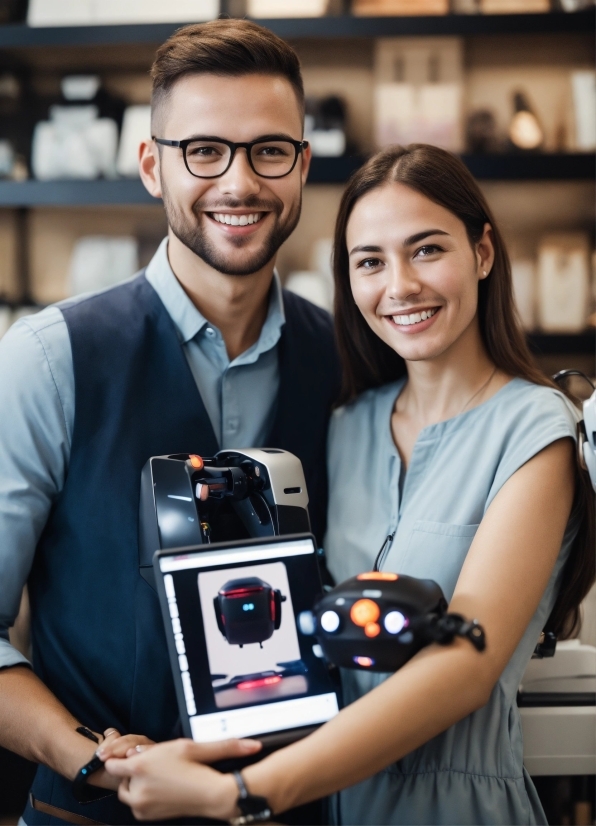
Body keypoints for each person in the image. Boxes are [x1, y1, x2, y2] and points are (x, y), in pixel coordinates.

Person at [103, 144, 594, 825]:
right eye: (370, 262)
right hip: (340, 805)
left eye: (426, 250)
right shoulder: (346, 426)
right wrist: (166, 749)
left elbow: (465, 667)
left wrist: (239, 794)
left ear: (483, 253)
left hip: (460, 806)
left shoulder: (536, 428)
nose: (399, 286)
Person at [0, 20, 340, 826]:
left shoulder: (353, 364)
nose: (238, 180)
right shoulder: (50, 358)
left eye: (268, 151)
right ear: (153, 165)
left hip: (303, 808)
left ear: (302, 164)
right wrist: (92, 755)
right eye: (204, 150)